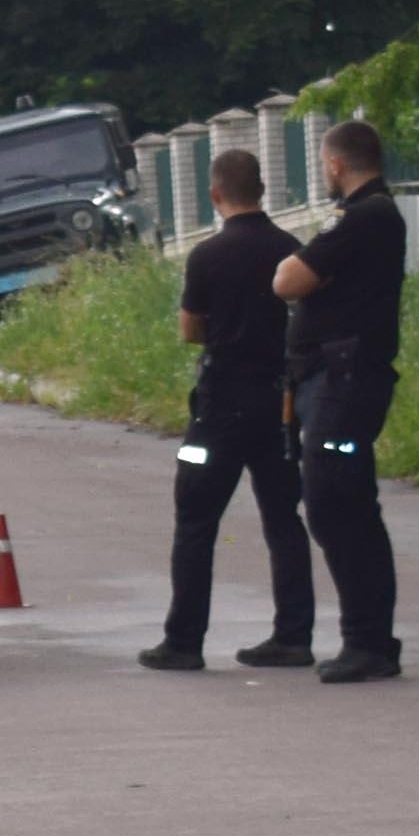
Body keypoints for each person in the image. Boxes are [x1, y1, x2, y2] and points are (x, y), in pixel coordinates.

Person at [141, 149, 318, 672]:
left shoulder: (207, 256)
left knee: (195, 518)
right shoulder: (292, 249)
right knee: (283, 518)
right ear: (263, 191)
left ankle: (184, 641)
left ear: (215, 195)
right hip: (278, 402)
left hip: (219, 406)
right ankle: (293, 636)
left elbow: (191, 329)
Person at [272, 118, 410, 681]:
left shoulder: (365, 217)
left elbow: (286, 280)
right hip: (337, 380)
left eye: (324, 166)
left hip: (345, 382)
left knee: (334, 503)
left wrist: (312, 274)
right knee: (349, 504)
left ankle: (367, 641)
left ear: (335, 164)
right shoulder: (370, 217)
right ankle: (370, 640)